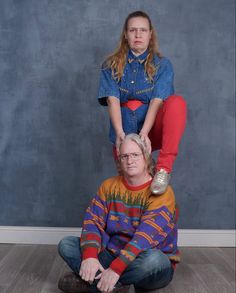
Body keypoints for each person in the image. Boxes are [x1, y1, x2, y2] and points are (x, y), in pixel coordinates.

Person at [58, 134, 180, 293]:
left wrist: (116, 269)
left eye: (135, 155)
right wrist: (90, 256)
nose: (130, 161)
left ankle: (94, 283)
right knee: (66, 244)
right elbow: (92, 222)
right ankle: (112, 285)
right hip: (112, 254)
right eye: (124, 156)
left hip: (145, 261)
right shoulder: (109, 186)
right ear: (119, 160)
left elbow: (143, 239)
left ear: (146, 157)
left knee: (155, 260)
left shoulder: (162, 192)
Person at [97, 11, 187, 195]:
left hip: (151, 128)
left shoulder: (163, 65)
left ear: (150, 34)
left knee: (176, 102)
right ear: (125, 34)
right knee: (133, 185)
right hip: (124, 130)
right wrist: (120, 133)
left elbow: (157, 100)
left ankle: (162, 169)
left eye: (143, 30)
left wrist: (145, 132)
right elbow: (112, 100)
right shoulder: (110, 65)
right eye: (133, 30)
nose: (138, 35)